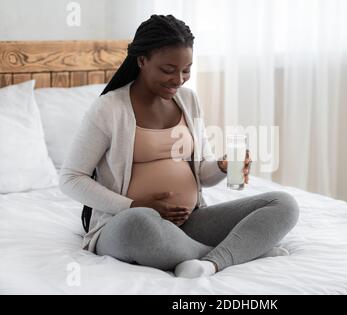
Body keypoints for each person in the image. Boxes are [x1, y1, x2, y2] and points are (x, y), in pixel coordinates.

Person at [59, 14, 299, 278]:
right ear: (142, 61)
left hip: (189, 222)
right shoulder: (109, 108)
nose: (179, 79)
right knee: (139, 224)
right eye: (168, 69)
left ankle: (207, 261)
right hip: (125, 224)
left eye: (187, 69)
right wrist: (135, 205)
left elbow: (202, 175)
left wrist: (221, 166)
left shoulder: (188, 100)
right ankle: (241, 252)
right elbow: (71, 178)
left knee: (283, 203)